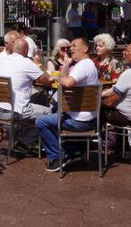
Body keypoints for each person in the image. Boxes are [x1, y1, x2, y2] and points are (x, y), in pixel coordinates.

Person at [35, 37, 99, 172]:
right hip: (87, 119)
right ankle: (73, 151)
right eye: (70, 46)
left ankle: (59, 157)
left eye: (74, 46)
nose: (71, 48)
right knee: (54, 113)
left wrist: (57, 77)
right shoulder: (85, 64)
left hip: (78, 121)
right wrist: (67, 63)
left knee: (41, 122)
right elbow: (65, 77)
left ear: (85, 48)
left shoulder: (84, 65)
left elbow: (68, 82)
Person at [0, 38, 51, 152]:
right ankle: (24, 139)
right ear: (26, 50)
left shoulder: (4, 61)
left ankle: (24, 138)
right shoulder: (26, 62)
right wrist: (37, 63)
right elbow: (47, 81)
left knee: (35, 101)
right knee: (50, 113)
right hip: (14, 111)